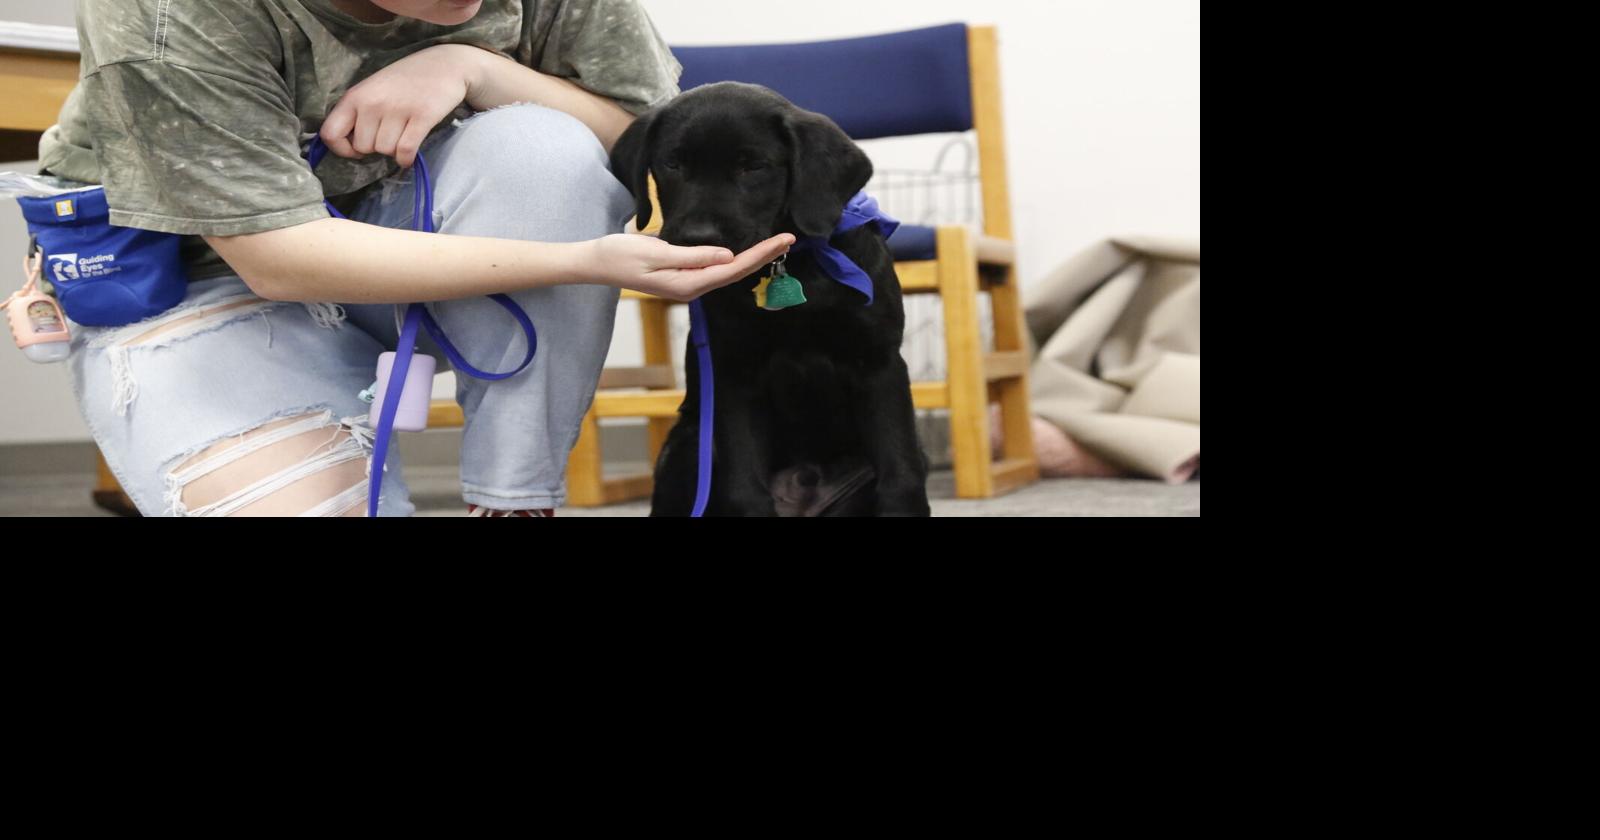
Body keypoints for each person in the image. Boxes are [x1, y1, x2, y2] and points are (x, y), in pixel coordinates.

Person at [38, 0, 793, 517]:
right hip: (213, 279)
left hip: (440, 239)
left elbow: (650, 135)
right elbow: (279, 258)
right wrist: (577, 261)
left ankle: (513, 498)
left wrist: (477, 68)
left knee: (543, 148)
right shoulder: (171, 13)